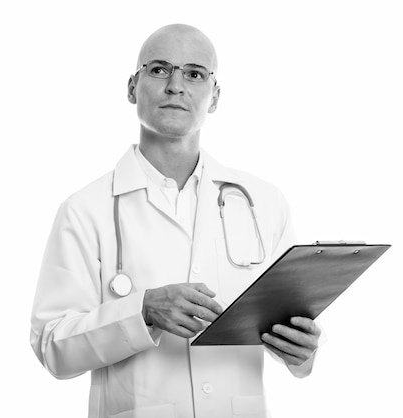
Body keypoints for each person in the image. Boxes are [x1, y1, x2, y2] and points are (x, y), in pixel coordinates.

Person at [30, 24, 321, 418]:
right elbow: (52, 346)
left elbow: (287, 324)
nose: (176, 86)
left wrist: (301, 352)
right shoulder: (85, 209)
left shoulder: (264, 203)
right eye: (160, 69)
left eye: (195, 74)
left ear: (214, 97)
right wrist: (143, 310)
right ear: (132, 87)